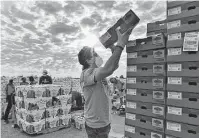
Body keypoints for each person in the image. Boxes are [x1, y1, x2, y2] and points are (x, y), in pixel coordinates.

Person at [78, 27, 132, 138]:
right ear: (89, 60)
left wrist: (112, 47)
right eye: (95, 54)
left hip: (103, 122)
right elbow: (109, 68)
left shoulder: (96, 71)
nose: (98, 56)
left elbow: (114, 66)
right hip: (96, 126)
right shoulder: (86, 74)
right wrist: (120, 44)